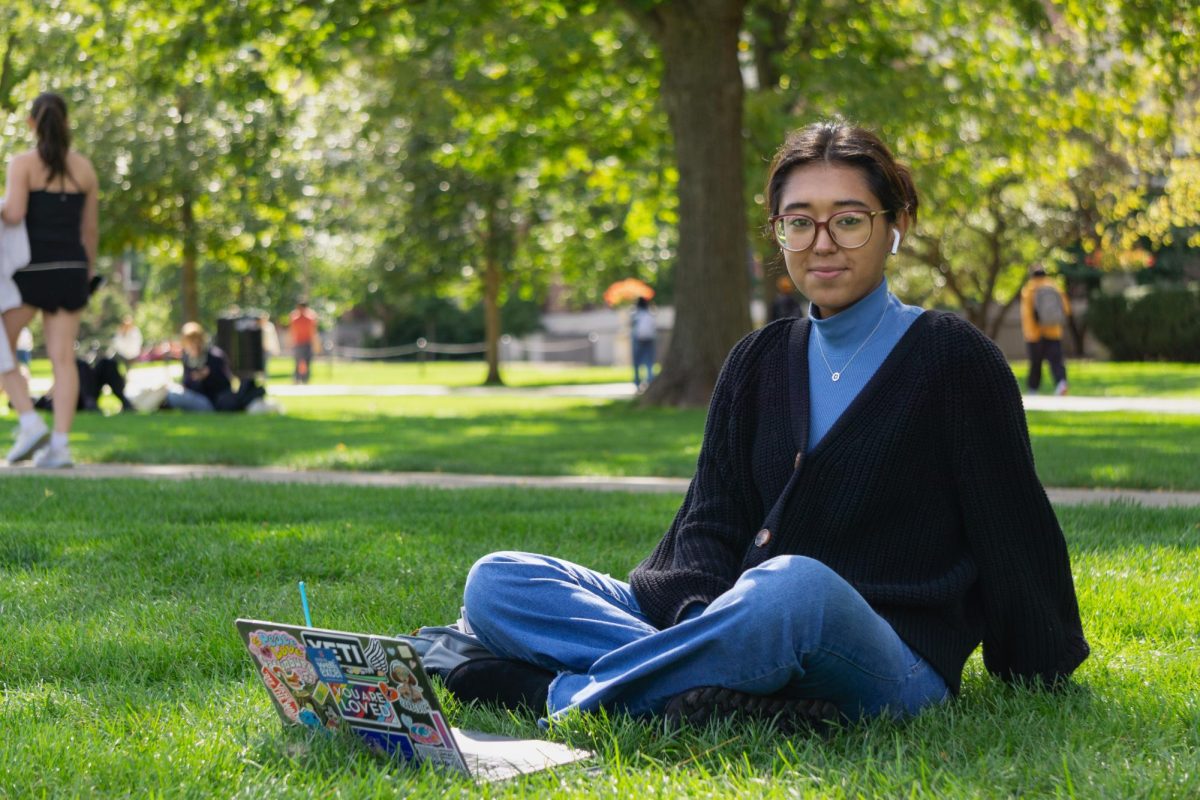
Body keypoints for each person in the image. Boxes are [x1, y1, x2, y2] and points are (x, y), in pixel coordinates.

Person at [451, 120, 1089, 732]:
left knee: (793, 587)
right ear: (779, 233)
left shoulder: (952, 357)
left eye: (849, 220)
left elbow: (1012, 525)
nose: (822, 242)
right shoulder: (756, 359)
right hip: (742, 616)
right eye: (799, 222)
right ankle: (722, 682)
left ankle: (546, 690)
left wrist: (1042, 662)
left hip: (886, 656)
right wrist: (704, 616)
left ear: (893, 228)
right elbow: (709, 519)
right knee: (501, 580)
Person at [1, 92, 100, 468]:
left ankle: (28, 420)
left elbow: (14, 213)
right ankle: (60, 445)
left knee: (3, 348)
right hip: (71, 270)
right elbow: (90, 231)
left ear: (31, 123)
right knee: (63, 359)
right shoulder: (85, 169)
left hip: (30, 272)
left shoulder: (23, 164)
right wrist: (86, 272)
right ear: (66, 122)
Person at [1020, 264, 1071, 396]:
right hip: (1054, 331)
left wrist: (1029, 332)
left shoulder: (1029, 289)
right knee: (1057, 361)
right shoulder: (1055, 287)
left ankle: (1033, 389)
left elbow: (1026, 314)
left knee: (1035, 363)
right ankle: (1061, 383)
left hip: (1034, 333)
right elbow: (1066, 309)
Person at [164, 322, 235, 412]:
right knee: (169, 389)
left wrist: (208, 375)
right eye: (190, 341)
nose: (194, 344)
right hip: (195, 397)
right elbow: (187, 384)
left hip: (212, 402)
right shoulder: (188, 358)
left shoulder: (215, 356)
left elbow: (226, 384)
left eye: (196, 339)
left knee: (172, 395)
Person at [288, 299, 318, 384]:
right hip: (298, 343)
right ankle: (297, 379)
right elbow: (292, 331)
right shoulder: (294, 318)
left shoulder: (310, 318)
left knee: (307, 361)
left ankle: (306, 380)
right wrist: (291, 342)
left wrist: (315, 344)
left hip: (307, 342)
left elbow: (313, 332)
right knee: (297, 361)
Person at [630, 296, 657, 390]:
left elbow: (631, 325)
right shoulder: (650, 314)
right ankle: (650, 380)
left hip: (638, 339)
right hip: (649, 339)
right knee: (649, 361)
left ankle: (637, 382)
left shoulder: (635, 314)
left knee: (637, 362)